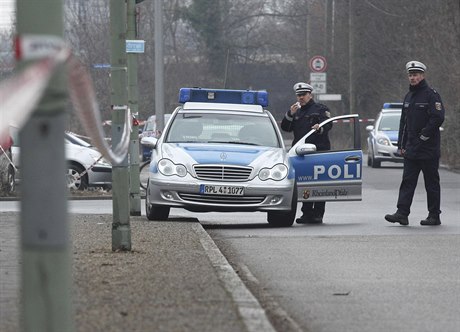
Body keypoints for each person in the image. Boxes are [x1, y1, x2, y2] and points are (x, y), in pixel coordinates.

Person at [385, 61, 445, 226]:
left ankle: (434, 215)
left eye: (416, 75)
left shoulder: (431, 95)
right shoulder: (408, 96)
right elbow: (404, 123)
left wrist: (424, 136)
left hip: (428, 149)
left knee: (431, 184)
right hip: (411, 149)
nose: (413, 77)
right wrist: (401, 145)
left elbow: (438, 117)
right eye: (410, 75)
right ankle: (402, 213)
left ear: (422, 75)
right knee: (407, 181)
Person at [281, 82, 332, 224]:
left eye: (303, 95)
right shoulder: (296, 111)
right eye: (299, 95)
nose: (301, 98)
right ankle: (306, 213)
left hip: (319, 152)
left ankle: (318, 214)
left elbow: (328, 124)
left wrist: (319, 127)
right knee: (304, 183)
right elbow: (286, 127)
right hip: (302, 153)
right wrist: (290, 114)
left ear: (310, 95)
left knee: (320, 184)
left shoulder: (320, 109)